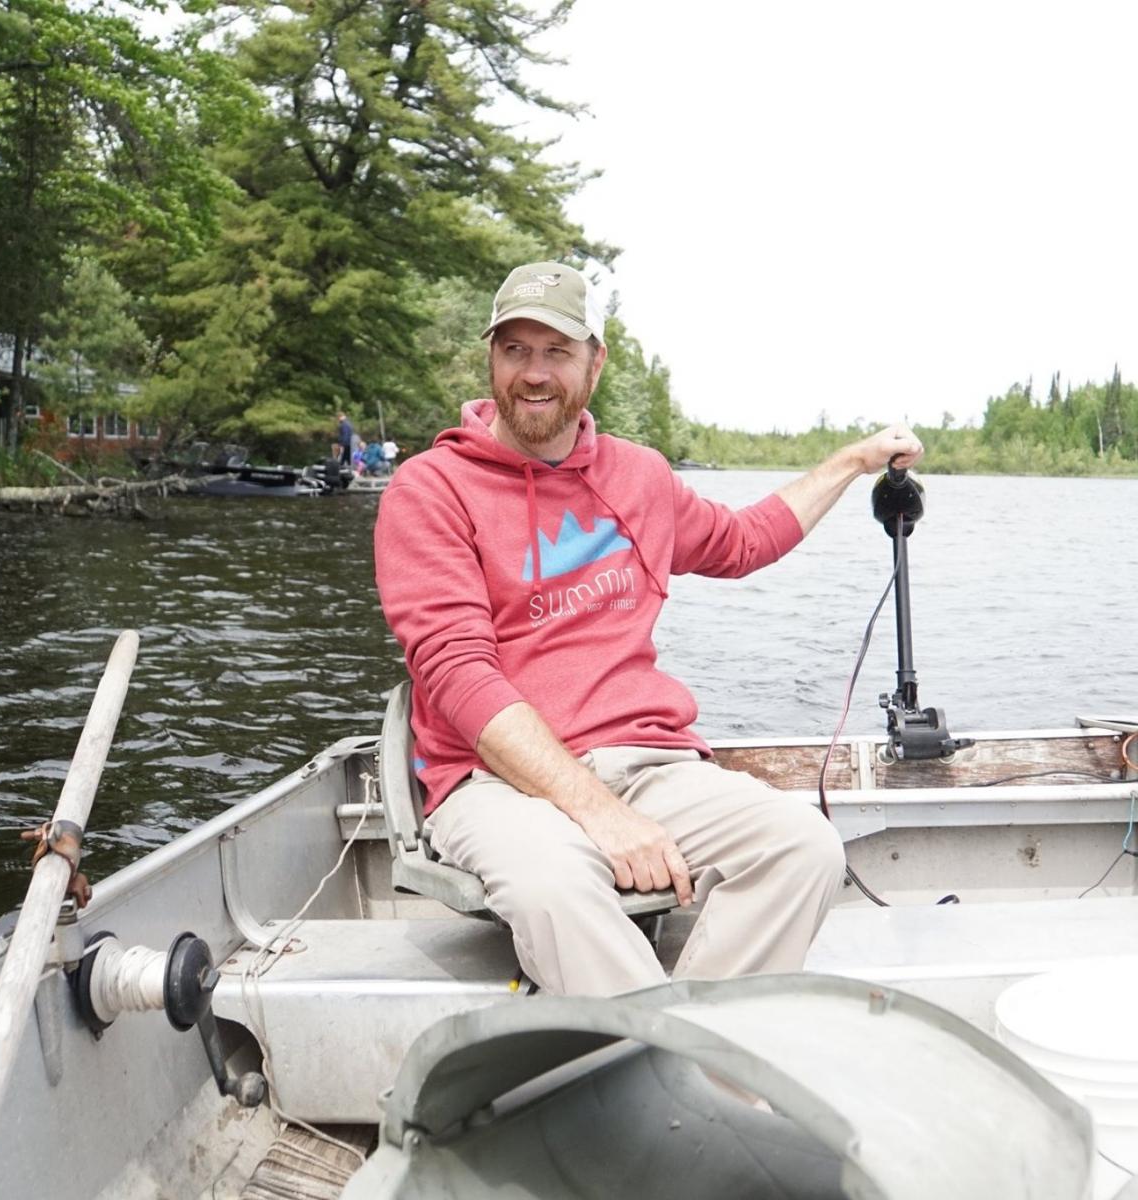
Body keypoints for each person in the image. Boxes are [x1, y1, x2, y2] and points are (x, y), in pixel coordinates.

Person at [373, 260, 923, 998]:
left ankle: (681, 1062)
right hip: (495, 781)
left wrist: (853, 462)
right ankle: (690, 1074)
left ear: (594, 364)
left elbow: (742, 541)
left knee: (804, 848)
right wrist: (598, 813)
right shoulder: (430, 489)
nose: (533, 374)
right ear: (492, 357)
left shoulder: (638, 476)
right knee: (554, 888)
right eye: (515, 350)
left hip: (650, 766)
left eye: (557, 352)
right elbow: (459, 677)